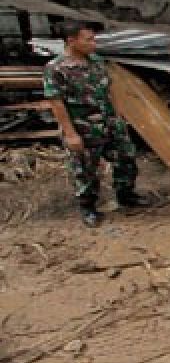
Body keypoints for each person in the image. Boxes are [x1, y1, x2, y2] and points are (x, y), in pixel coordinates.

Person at [43, 21, 146, 227]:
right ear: (71, 41)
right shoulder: (56, 68)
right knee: (86, 169)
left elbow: (109, 90)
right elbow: (56, 103)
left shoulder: (97, 62)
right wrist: (71, 134)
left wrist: (118, 117)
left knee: (126, 157)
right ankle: (87, 206)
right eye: (88, 39)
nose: (94, 43)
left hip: (109, 121)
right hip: (83, 125)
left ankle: (126, 195)